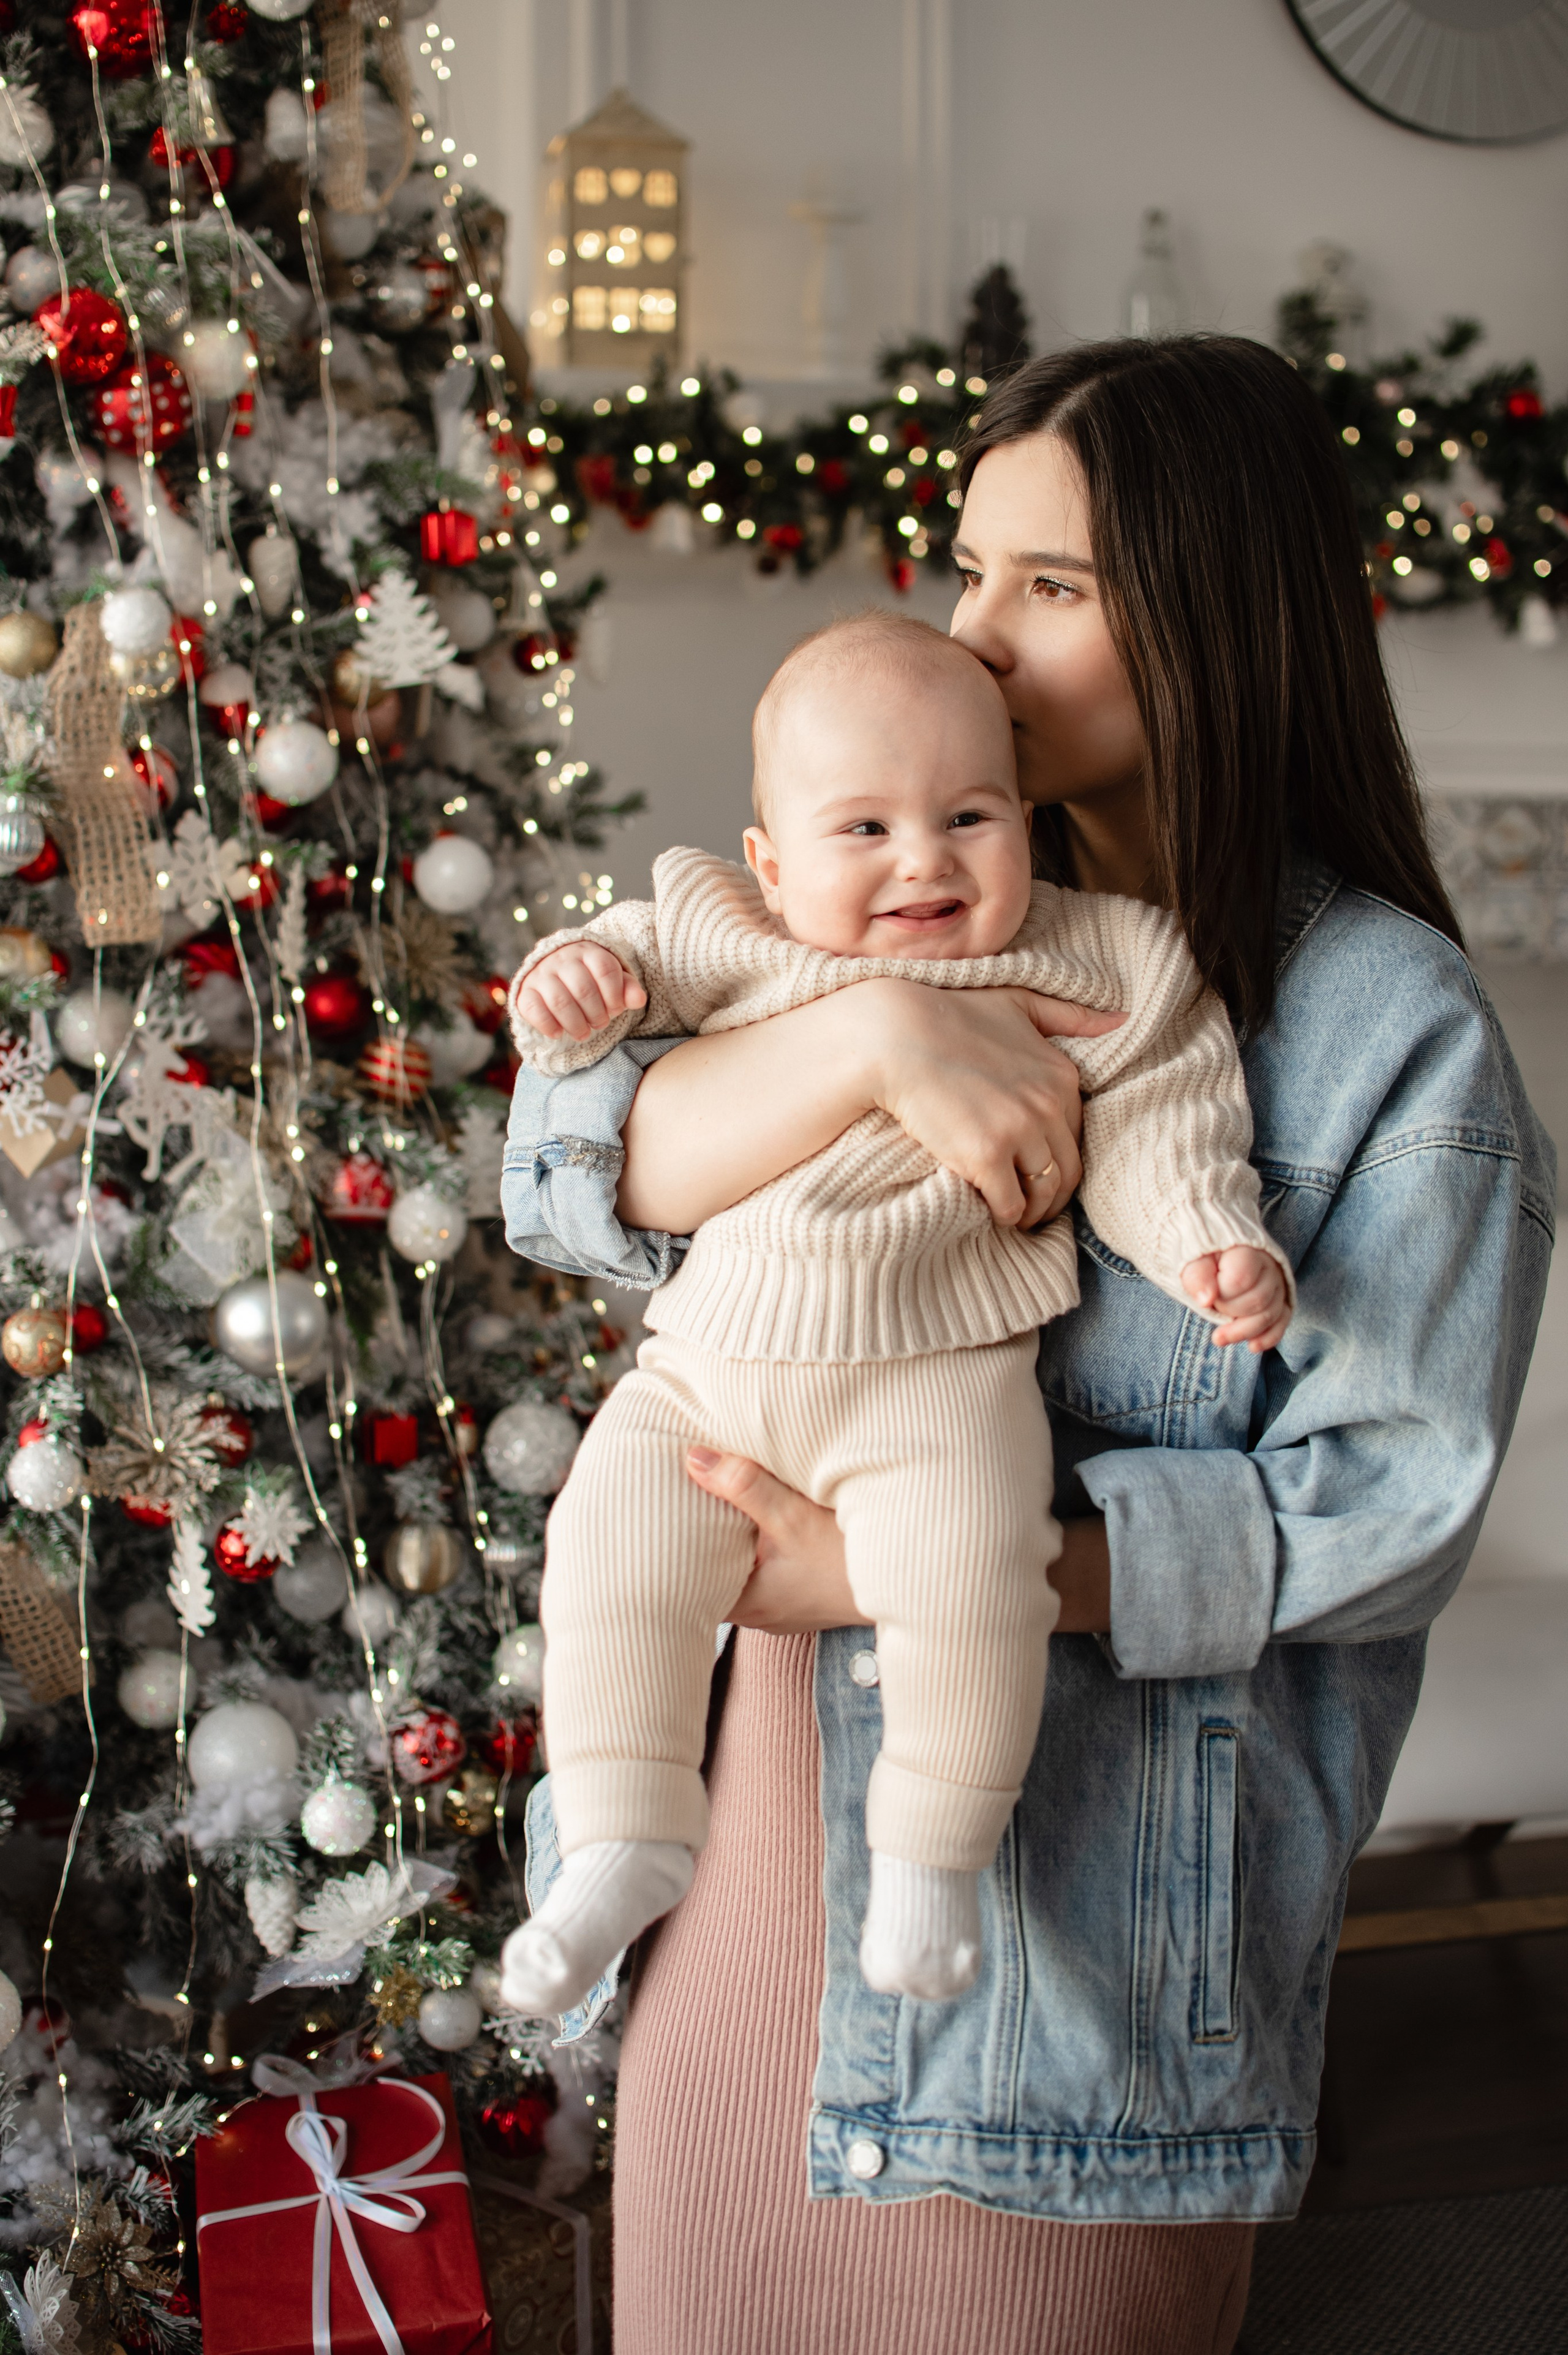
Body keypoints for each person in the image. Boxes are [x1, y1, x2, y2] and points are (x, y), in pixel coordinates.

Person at [499, 336, 1555, 2355]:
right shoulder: (883, 877)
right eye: (969, 568)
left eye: (1047, 590)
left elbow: (1385, 1514)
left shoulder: (1381, 1033)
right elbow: (574, 1171)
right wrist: (871, 1035)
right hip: (744, 1856)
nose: (971, 638)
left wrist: (924, 1568)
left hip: (1064, 1968)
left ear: (1211, 619)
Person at [499, 610, 1289, 2019]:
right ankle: (621, 1831)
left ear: (1025, 818)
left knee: (973, 1574)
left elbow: (1171, 1119)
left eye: (967, 814)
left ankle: (930, 1852)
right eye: (861, 827)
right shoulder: (722, 930)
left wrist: (1206, 1242)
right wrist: (568, 988)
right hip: (706, 1370)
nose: (922, 858)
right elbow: (594, 1010)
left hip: (938, 1375)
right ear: (771, 859)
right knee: (607, 1545)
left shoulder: (1099, 959)